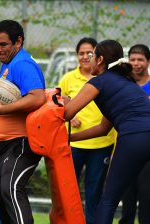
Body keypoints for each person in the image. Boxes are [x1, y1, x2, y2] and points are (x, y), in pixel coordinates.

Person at [63, 39, 150, 223]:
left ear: (100, 60)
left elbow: (67, 113)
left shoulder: (98, 82)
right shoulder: (125, 82)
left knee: (109, 199)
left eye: (92, 55)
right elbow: (103, 128)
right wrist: (69, 138)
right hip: (142, 135)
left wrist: (63, 100)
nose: (89, 59)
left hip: (135, 137)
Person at [0, 20, 46, 224]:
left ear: (18, 41)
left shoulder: (22, 63)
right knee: (2, 198)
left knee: (10, 188)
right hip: (1, 143)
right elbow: (11, 99)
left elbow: (37, 97)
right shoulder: (8, 63)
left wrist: (2, 109)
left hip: (21, 142)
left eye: (3, 44)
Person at [58, 37, 115, 224]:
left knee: (94, 193)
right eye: (81, 53)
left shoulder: (106, 78)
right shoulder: (68, 78)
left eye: (89, 53)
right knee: (67, 191)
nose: (84, 57)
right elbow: (59, 105)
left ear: (98, 57)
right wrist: (70, 114)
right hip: (73, 143)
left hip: (101, 144)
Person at [119, 44, 150, 224]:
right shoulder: (123, 84)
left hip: (147, 147)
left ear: (148, 62)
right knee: (127, 195)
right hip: (125, 146)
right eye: (133, 59)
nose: (136, 63)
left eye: (140, 59)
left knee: (146, 195)